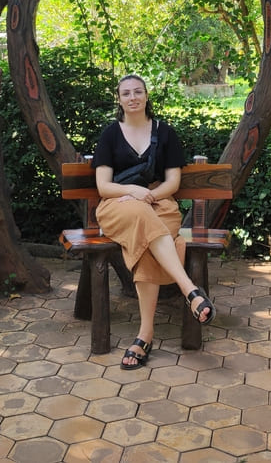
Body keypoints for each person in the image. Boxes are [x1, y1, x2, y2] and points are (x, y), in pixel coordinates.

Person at [93, 74, 215, 370]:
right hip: (118, 206)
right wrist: (132, 192)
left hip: (159, 203)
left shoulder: (165, 132)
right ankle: (190, 289)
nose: (132, 97)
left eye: (138, 92)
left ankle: (144, 336)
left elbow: (173, 181)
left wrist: (148, 196)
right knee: (141, 218)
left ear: (147, 96)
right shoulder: (110, 134)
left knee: (147, 239)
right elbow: (103, 187)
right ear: (119, 99)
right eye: (126, 93)